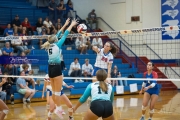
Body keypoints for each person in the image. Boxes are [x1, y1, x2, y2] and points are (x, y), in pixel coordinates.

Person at [41, 18, 78, 118]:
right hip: (57, 68)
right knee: (57, 92)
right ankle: (58, 108)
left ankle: (58, 108)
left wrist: (65, 23)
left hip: (50, 69)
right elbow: (65, 33)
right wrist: (71, 25)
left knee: (54, 92)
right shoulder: (57, 44)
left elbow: (58, 33)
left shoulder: (49, 45)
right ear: (56, 39)